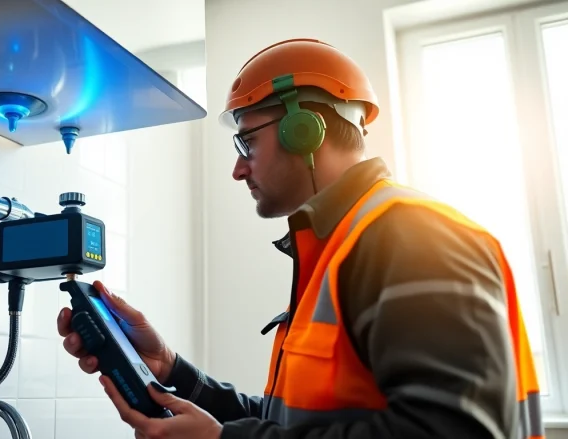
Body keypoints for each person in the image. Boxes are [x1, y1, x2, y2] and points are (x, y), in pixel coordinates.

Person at [57, 38, 544, 439]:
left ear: (304, 130)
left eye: (248, 141)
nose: (238, 169)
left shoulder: (412, 237)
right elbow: (290, 425)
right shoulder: (340, 247)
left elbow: (454, 432)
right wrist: (170, 370)